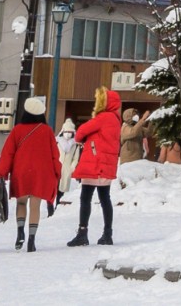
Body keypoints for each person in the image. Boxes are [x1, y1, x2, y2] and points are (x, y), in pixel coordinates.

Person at [0, 97, 62, 252]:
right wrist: (57, 173)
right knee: (35, 206)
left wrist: (1, 172)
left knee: (21, 203)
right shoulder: (47, 131)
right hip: (40, 173)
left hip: (21, 172)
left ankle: (19, 233)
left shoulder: (17, 130)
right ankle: (31, 240)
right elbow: (54, 155)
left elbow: (8, 153)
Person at [66, 87, 121, 246]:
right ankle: (107, 233)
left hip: (95, 164)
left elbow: (81, 132)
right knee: (105, 198)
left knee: (85, 198)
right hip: (106, 165)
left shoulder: (103, 117)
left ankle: (82, 233)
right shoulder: (115, 120)